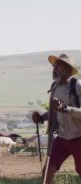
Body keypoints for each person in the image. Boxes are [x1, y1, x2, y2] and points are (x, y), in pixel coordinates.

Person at [32, 53, 81, 183]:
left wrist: (66, 109)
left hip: (79, 138)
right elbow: (55, 111)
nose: (55, 68)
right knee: (48, 169)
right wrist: (41, 117)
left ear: (67, 67)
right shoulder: (55, 86)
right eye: (55, 65)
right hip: (62, 138)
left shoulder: (77, 85)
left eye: (59, 64)